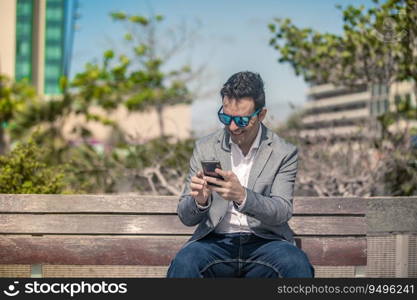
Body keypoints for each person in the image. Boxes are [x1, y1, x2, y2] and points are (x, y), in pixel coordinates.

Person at [166, 71, 314, 278]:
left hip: (266, 242)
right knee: (185, 262)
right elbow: (185, 216)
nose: (233, 126)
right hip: (215, 241)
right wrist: (199, 202)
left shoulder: (283, 152)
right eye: (226, 117)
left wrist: (242, 196)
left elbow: (282, 210)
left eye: (242, 120)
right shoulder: (205, 147)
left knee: (296, 265)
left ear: (261, 115)